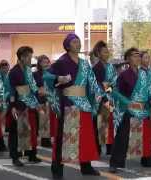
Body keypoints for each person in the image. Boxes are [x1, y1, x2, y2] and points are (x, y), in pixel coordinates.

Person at [44, 33, 101, 178]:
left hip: (84, 104)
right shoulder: (61, 62)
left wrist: (101, 94)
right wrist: (58, 78)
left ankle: (86, 166)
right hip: (69, 104)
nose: (78, 44)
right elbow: (46, 76)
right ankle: (57, 170)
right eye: (75, 42)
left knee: (86, 136)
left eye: (79, 42)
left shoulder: (84, 63)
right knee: (64, 138)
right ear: (68, 46)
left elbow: (92, 82)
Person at [109, 48, 151, 173]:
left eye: (139, 56)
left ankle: (147, 158)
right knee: (122, 136)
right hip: (127, 109)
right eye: (135, 56)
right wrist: (128, 103)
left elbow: (149, 89)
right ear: (128, 59)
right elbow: (114, 92)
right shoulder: (123, 75)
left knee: (145, 135)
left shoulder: (144, 74)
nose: (138, 58)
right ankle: (115, 162)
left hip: (143, 109)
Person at [8, 46, 42, 167]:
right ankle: (15, 156)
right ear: (21, 57)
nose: (30, 59)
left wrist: (37, 100)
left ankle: (31, 154)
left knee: (31, 129)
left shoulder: (28, 70)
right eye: (28, 57)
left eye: (30, 57)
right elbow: (11, 91)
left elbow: (33, 88)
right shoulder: (13, 72)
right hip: (18, 104)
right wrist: (12, 106)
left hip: (30, 104)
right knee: (16, 131)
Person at [91, 41, 116, 155]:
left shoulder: (110, 66)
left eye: (107, 51)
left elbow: (114, 81)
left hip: (110, 96)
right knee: (100, 123)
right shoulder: (97, 67)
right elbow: (99, 85)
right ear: (99, 54)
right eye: (104, 52)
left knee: (110, 122)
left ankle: (110, 146)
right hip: (101, 98)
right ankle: (98, 147)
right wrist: (106, 96)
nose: (107, 54)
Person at [33, 55, 56, 148]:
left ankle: (49, 138)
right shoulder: (35, 74)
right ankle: (44, 139)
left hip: (50, 98)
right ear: (39, 64)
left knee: (50, 120)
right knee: (43, 120)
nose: (46, 64)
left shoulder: (52, 74)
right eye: (43, 62)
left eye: (47, 62)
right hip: (41, 99)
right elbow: (33, 87)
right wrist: (39, 90)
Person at [0, 60, 11, 132]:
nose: (5, 68)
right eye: (3, 66)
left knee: (5, 115)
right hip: (1, 100)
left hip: (8, 99)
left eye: (6, 66)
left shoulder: (9, 75)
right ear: (0, 67)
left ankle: (4, 129)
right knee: (1, 115)